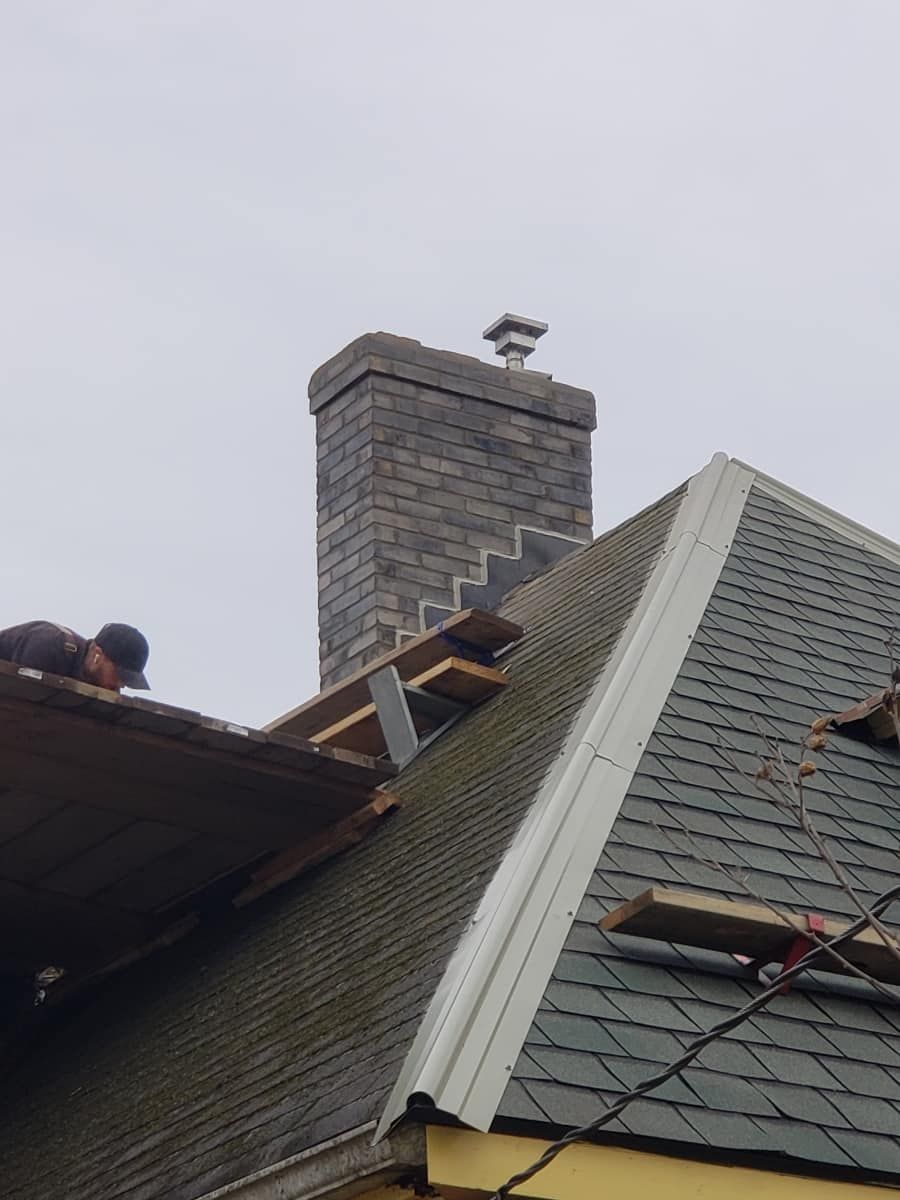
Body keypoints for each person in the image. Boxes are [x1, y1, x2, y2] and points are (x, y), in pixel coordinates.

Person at [0, 621, 150, 692]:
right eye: (120, 675)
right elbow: (20, 695)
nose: (121, 685)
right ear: (98, 654)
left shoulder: (106, 686)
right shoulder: (50, 644)